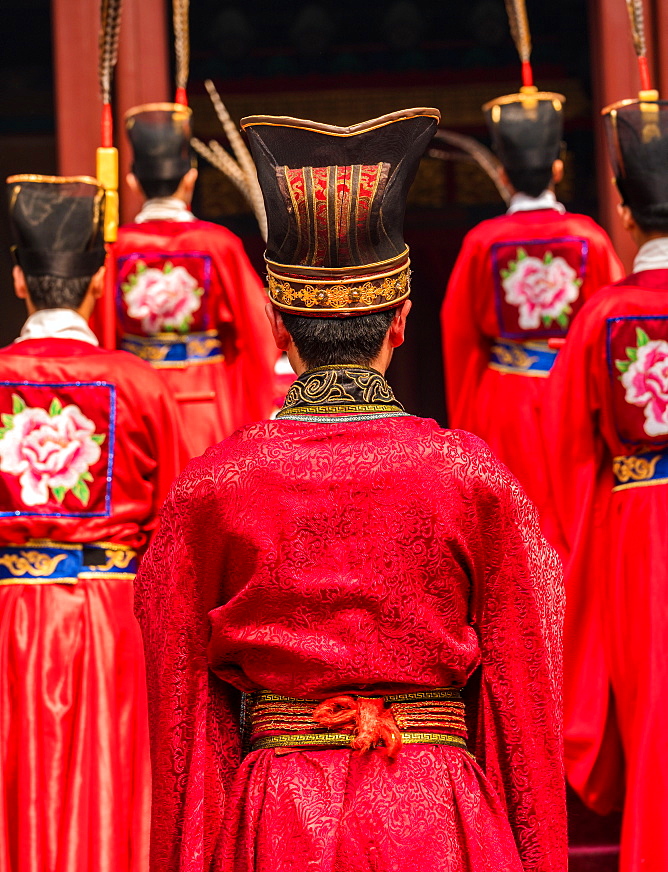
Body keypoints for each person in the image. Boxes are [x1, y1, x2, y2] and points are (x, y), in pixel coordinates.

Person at [136, 108, 566, 872]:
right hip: (438, 813)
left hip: (280, 818)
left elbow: (179, 721)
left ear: (274, 326)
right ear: (403, 321)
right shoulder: (470, 478)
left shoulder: (214, 489)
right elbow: (525, 696)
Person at [0, 174, 182, 872]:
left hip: (12, 618)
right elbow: (179, 529)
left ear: (20, 279)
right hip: (111, 620)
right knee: (112, 788)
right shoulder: (138, 383)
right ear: (102, 281)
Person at [542, 94, 668, 872]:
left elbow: (561, 452)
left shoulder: (602, 317)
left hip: (635, 534)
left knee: (654, 706)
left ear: (622, 211)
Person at [441, 89, 624, 557]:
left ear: (502, 175)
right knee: (581, 524)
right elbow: (614, 337)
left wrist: (466, 424)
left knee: (511, 531)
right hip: (579, 398)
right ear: (558, 170)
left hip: (506, 397)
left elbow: (460, 335)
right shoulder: (590, 237)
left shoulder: (484, 242)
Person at [108, 102, 278, 460]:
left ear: (132, 180)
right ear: (191, 177)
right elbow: (258, 330)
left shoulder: (116, 248)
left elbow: (101, 331)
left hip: (132, 399)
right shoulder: (218, 244)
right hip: (205, 402)